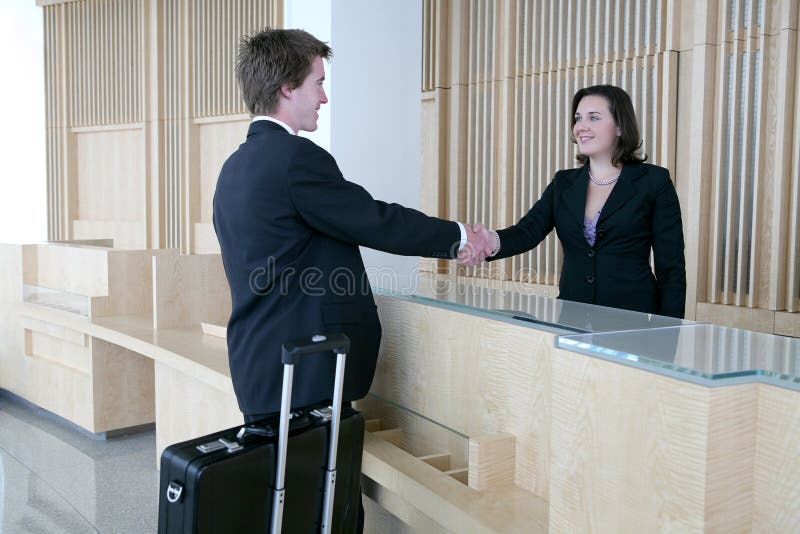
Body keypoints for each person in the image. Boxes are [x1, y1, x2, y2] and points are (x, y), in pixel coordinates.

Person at [213, 28, 493, 422]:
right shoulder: (294, 159)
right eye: (318, 84)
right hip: (304, 369)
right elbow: (375, 221)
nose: (324, 97)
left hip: (259, 366)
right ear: (287, 88)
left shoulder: (233, 168)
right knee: (321, 482)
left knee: (282, 483)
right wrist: (461, 237)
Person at [475, 85, 686, 318]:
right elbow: (527, 231)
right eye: (578, 118)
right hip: (571, 318)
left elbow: (671, 269)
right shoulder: (563, 183)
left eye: (594, 118)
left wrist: (668, 337)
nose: (581, 127)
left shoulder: (653, 181)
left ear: (620, 126)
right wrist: (489, 241)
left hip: (632, 324)